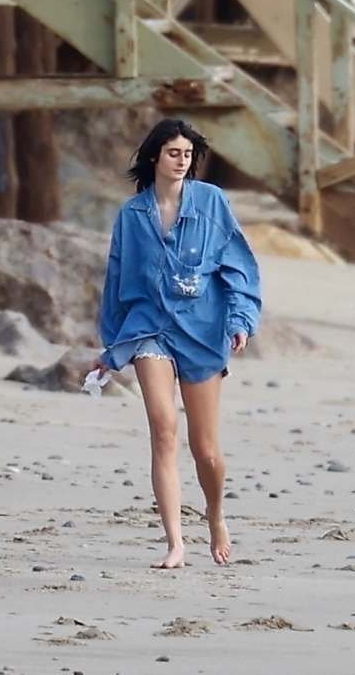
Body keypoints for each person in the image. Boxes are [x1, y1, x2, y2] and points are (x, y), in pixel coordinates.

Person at [92, 118, 262, 568]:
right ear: (155, 156)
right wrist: (112, 348)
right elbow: (116, 282)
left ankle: (215, 515)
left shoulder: (213, 202)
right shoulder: (131, 216)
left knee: (204, 447)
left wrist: (241, 321)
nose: (182, 161)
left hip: (203, 330)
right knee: (163, 431)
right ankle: (175, 544)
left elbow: (240, 269)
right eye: (173, 153)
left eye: (188, 154)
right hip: (149, 329)